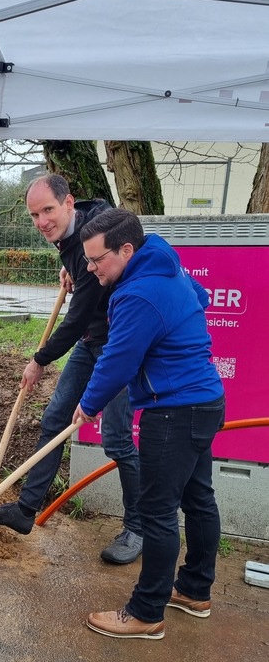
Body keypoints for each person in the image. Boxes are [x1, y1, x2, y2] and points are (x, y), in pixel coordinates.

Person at [72, 209, 225, 639]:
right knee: (198, 499)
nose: (90, 267)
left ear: (125, 250)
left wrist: (87, 405)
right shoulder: (164, 261)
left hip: (174, 410)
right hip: (205, 400)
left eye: (96, 259)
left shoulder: (137, 295)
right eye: (85, 259)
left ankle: (146, 612)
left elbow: (118, 361)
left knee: (156, 513)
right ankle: (195, 591)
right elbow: (203, 298)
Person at [0, 174, 143, 564]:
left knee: (118, 439)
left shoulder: (92, 231)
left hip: (119, 344)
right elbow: (97, 208)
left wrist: (39, 360)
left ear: (68, 203)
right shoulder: (75, 232)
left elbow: (78, 317)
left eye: (48, 210)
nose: (41, 221)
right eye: (35, 214)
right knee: (54, 418)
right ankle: (25, 511)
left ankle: (139, 527)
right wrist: (68, 266)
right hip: (92, 341)